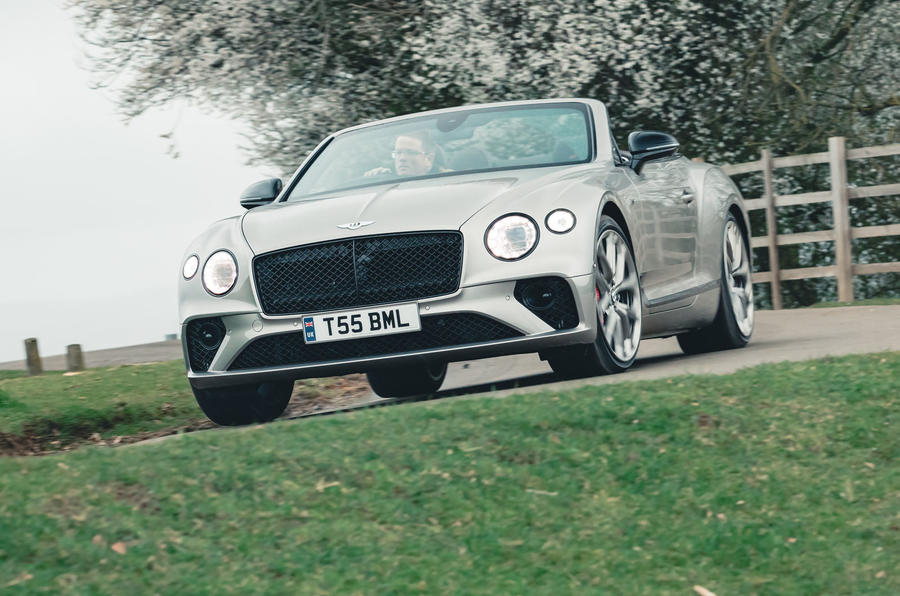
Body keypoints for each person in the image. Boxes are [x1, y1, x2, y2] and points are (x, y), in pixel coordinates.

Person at [365, 131, 440, 177]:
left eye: (411, 152)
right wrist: (373, 178)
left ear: (429, 159)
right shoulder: (385, 177)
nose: (402, 158)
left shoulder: (446, 181)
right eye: (398, 153)